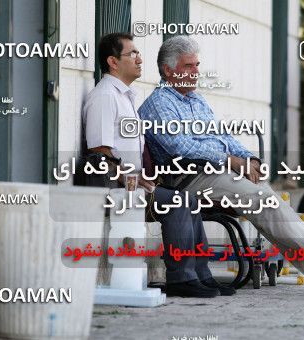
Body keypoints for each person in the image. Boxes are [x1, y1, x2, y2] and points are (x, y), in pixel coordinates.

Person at [139, 35, 304, 288]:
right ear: (168, 70)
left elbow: (224, 137)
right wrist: (231, 161)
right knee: (265, 201)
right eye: (189, 66)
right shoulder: (159, 103)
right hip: (186, 179)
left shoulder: (196, 100)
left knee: (269, 203)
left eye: (198, 65)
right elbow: (179, 146)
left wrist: (249, 159)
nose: (196, 71)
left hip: (215, 173)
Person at [82, 32, 234, 297]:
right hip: (118, 190)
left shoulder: (124, 96)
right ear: (113, 62)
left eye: (138, 53)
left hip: (134, 186)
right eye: (132, 54)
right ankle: (181, 278)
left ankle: (200, 274)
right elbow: (99, 152)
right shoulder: (105, 96)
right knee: (179, 202)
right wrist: (133, 179)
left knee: (188, 199)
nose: (140, 59)